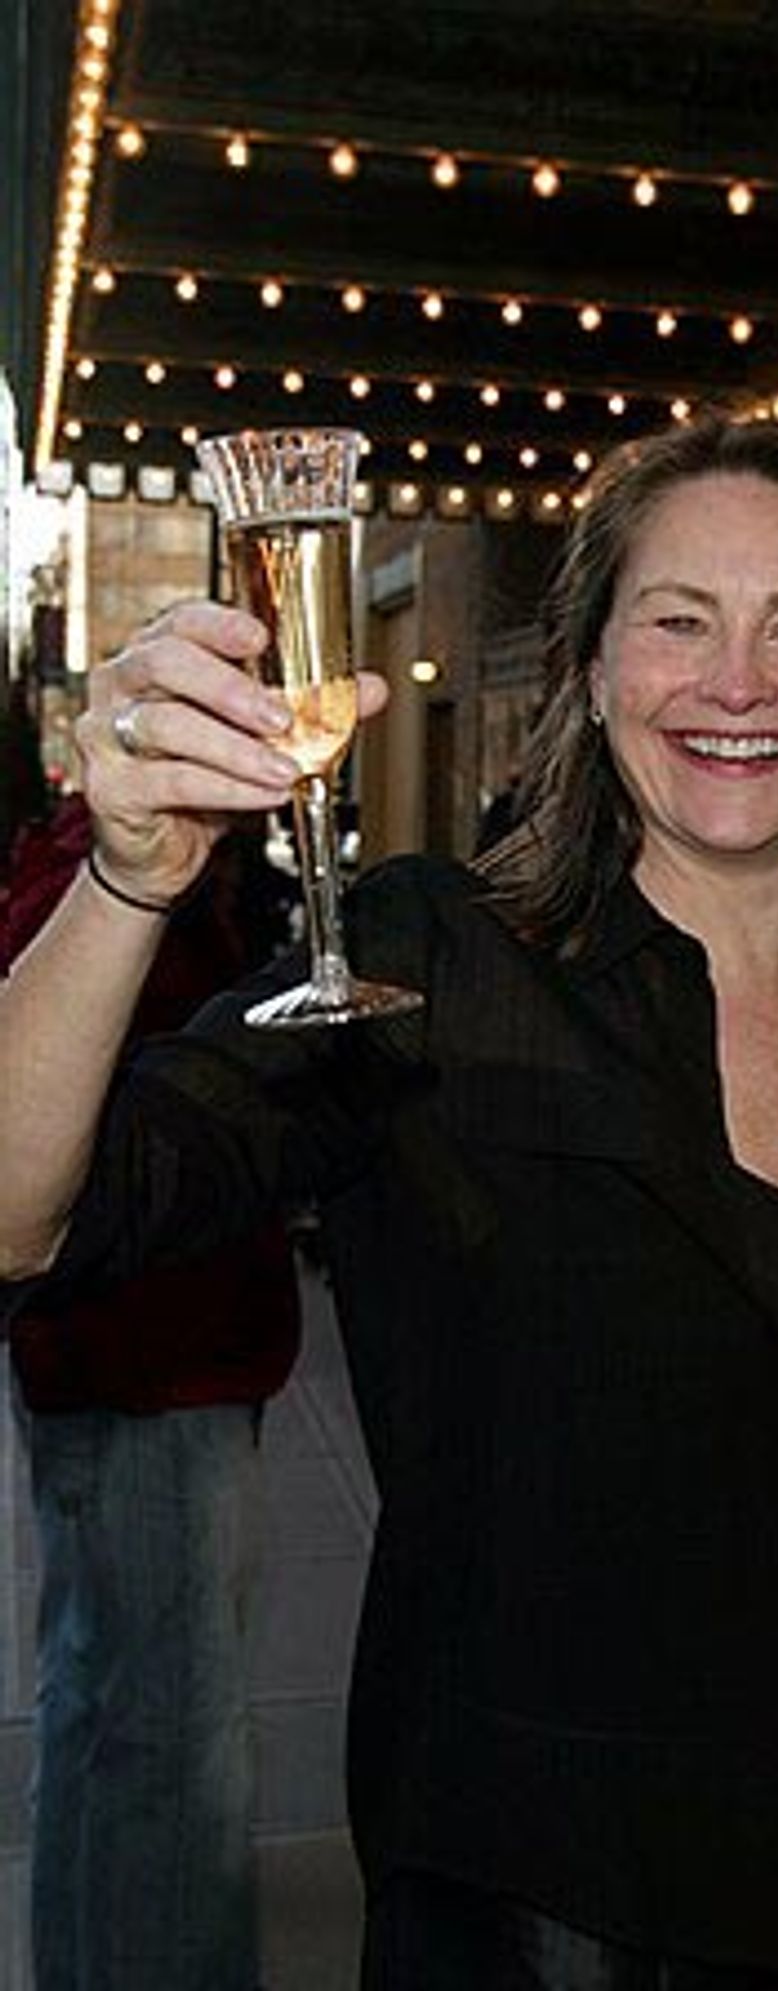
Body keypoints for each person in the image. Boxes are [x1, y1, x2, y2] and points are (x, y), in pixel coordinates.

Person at [0, 417, 778, 1990]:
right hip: (548, 1913)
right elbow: (26, 1216)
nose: (738, 681)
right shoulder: (432, 961)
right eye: (679, 619)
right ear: (592, 673)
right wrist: (125, 879)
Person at [0, 793, 301, 1991]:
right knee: (174, 1743)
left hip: (127, 1351)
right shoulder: (103, 876)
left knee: (101, 1706)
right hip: (147, 1359)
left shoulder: (108, 862)